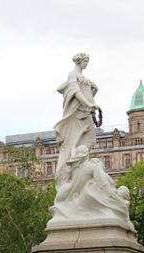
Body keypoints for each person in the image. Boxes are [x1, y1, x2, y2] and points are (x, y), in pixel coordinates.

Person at [54, 52, 100, 185]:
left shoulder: (81, 76)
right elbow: (75, 91)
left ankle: (80, 167)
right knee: (72, 142)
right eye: (86, 61)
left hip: (85, 113)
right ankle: (71, 170)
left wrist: (93, 87)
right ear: (80, 61)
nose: (87, 64)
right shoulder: (72, 74)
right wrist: (89, 103)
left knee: (91, 140)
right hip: (77, 114)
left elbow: (87, 92)